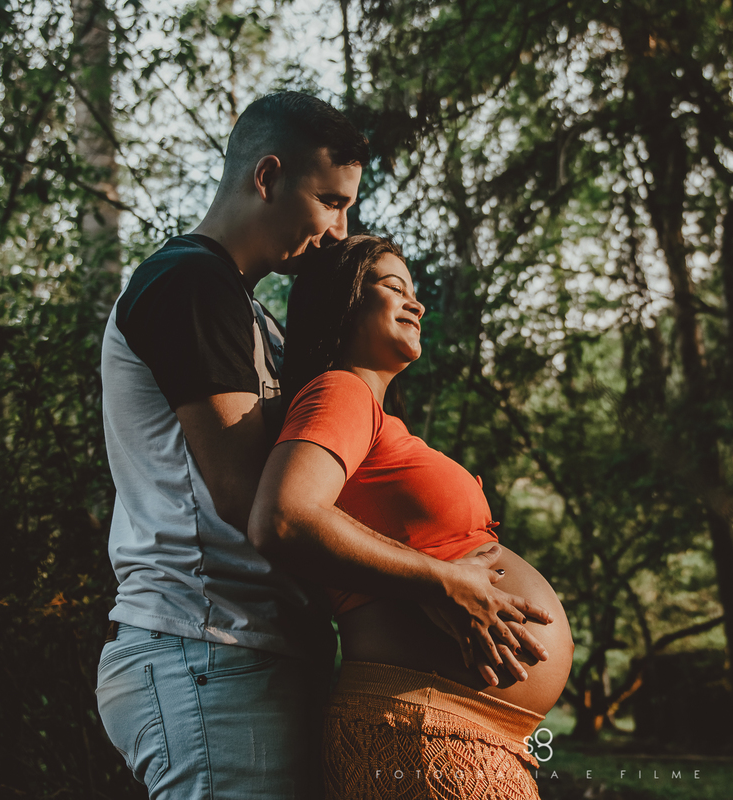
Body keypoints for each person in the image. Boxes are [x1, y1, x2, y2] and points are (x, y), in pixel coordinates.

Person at [96, 92, 549, 800]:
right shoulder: (191, 283)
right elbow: (267, 510)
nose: (340, 232)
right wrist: (434, 578)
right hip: (207, 649)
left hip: (255, 654)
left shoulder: (249, 314)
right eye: (330, 202)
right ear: (268, 176)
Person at [249, 235, 575, 800]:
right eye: (392, 286)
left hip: (448, 728)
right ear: (342, 302)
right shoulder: (342, 390)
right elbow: (282, 517)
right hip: (421, 726)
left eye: (416, 291)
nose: (416, 304)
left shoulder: (371, 413)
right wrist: (443, 580)